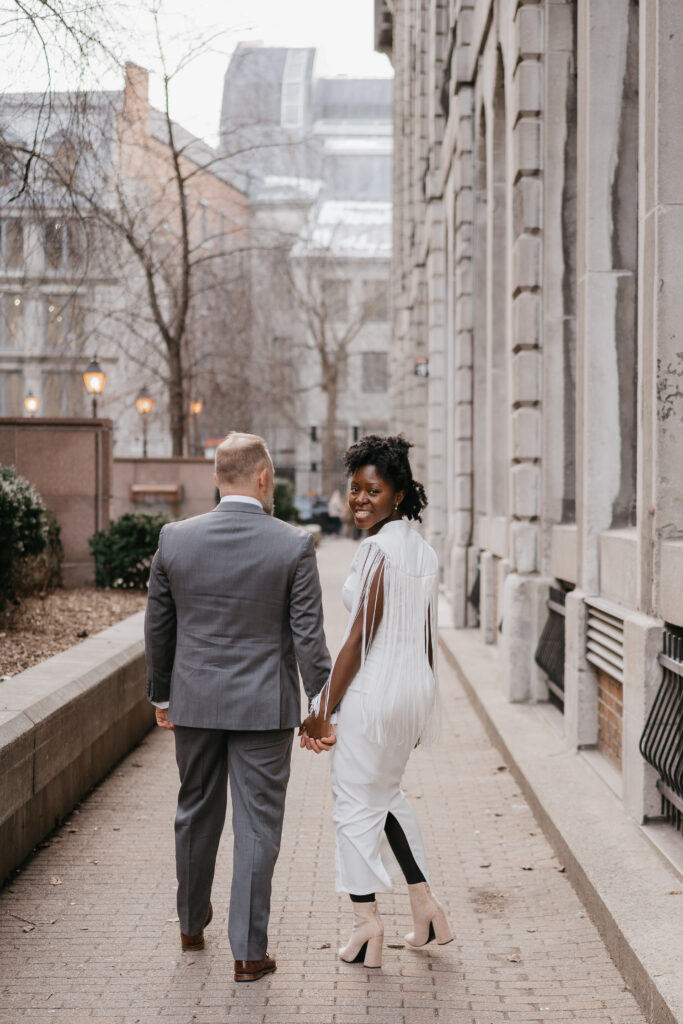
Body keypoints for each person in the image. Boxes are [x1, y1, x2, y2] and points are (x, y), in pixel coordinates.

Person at [145, 432, 333, 983]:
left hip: (195, 702)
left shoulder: (175, 539)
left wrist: (162, 694)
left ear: (216, 480)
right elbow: (309, 639)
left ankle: (190, 926)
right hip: (263, 708)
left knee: (195, 811)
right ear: (263, 478)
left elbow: (159, 625)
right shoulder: (293, 544)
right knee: (256, 828)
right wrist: (321, 709)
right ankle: (249, 954)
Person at [300, 434, 452, 969]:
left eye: (374, 491)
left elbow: (359, 636)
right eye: (355, 490)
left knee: (352, 808)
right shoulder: (424, 551)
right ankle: (427, 906)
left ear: (399, 495)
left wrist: (321, 709)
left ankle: (366, 926)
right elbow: (426, 636)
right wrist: (423, 705)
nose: (360, 500)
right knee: (386, 796)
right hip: (410, 692)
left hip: (374, 694)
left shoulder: (376, 550)